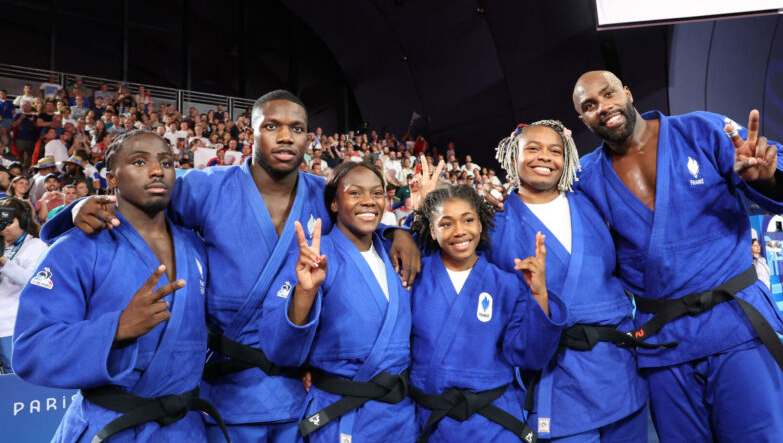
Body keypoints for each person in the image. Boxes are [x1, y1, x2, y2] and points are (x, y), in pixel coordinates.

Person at [41, 90, 421, 443]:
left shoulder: (321, 194)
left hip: (294, 388)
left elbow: (359, 213)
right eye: (272, 126)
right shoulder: (207, 187)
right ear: (250, 133)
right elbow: (140, 195)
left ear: (309, 139)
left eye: (297, 129)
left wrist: (392, 234)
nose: (285, 137)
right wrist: (79, 207)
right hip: (224, 385)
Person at [572, 70, 783, 442]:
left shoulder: (700, 130)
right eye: (590, 105)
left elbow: (770, 166)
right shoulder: (586, 176)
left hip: (734, 325)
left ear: (628, 92)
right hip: (663, 342)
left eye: (608, 94)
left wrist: (763, 178)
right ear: (583, 120)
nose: (603, 107)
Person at [13, 130, 228, 442]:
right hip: (113, 427)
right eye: (140, 162)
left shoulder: (195, 245)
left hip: (186, 428)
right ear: (111, 178)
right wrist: (116, 328)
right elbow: (31, 349)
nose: (157, 170)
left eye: (166, 162)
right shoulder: (76, 247)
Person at [467, 120, 648, 442]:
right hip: (555, 377)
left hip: (617, 372)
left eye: (555, 151)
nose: (544, 157)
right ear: (512, 156)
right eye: (532, 148)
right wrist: (399, 232)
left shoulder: (591, 201)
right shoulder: (491, 220)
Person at [259, 162, 417, 442]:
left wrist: (399, 231)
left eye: (377, 193)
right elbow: (279, 349)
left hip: (399, 416)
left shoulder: (396, 254)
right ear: (334, 203)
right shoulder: (316, 253)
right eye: (355, 193)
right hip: (343, 414)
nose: (368, 200)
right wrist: (305, 293)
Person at [409, 185, 566, 442]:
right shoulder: (413, 278)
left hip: (493, 421)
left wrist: (539, 294)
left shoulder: (506, 284)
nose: (460, 231)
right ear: (432, 232)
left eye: (468, 220)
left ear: (481, 224)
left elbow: (529, 355)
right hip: (430, 418)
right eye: (446, 224)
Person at [0, 197, 47, 373]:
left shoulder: (38, 246)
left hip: (15, 325)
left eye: (9, 222)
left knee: (17, 379)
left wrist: (4, 262)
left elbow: (35, 282)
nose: (4, 227)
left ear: (24, 220)